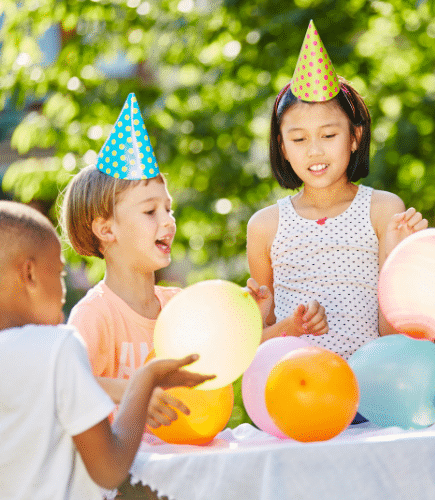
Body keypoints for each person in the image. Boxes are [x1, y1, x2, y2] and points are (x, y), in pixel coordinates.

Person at [62, 94, 326, 429]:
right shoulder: (96, 315)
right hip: (127, 470)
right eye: (150, 211)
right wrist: (136, 391)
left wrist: (285, 327)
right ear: (105, 228)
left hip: (186, 461)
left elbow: (220, 358)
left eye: (168, 209)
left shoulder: (178, 305)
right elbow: (66, 384)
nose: (168, 221)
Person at [0, 200, 213, 500]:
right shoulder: (58, 347)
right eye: (58, 274)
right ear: (30, 275)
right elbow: (111, 470)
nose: (63, 292)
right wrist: (144, 380)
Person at [247, 20, 427, 361]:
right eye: (299, 139)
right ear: (282, 147)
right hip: (296, 395)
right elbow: (263, 342)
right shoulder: (265, 226)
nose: (314, 151)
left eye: (328, 135)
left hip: (373, 392)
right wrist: (287, 322)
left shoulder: (383, 210)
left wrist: (396, 256)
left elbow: (395, 336)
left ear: (355, 137)